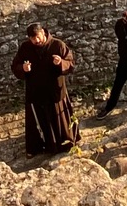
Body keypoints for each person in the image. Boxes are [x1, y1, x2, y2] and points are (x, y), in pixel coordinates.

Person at [12, 23, 79, 156]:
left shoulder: (58, 45)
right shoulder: (26, 48)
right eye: (32, 39)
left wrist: (61, 63)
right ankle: (45, 145)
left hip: (55, 90)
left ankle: (64, 144)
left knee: (59, 119)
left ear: (43, 32)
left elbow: (70, 63)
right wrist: (23, 69)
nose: (36, 41)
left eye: (37, 37)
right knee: (41, 120)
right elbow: (15, 66)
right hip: (36, 91)